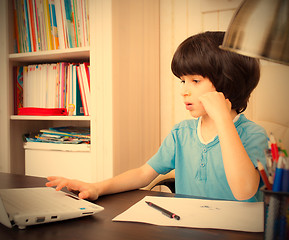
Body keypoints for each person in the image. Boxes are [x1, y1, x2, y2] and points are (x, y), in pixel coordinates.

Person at [46, 31, 268, 202]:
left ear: (227, 83)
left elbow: (244, 191)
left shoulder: (254, 135)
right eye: (183, 81)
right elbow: (144, 173)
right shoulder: (182, 133)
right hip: (188, 227)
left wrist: (222, 119)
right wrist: (97, 187)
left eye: (195, 81)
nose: (184, 90)